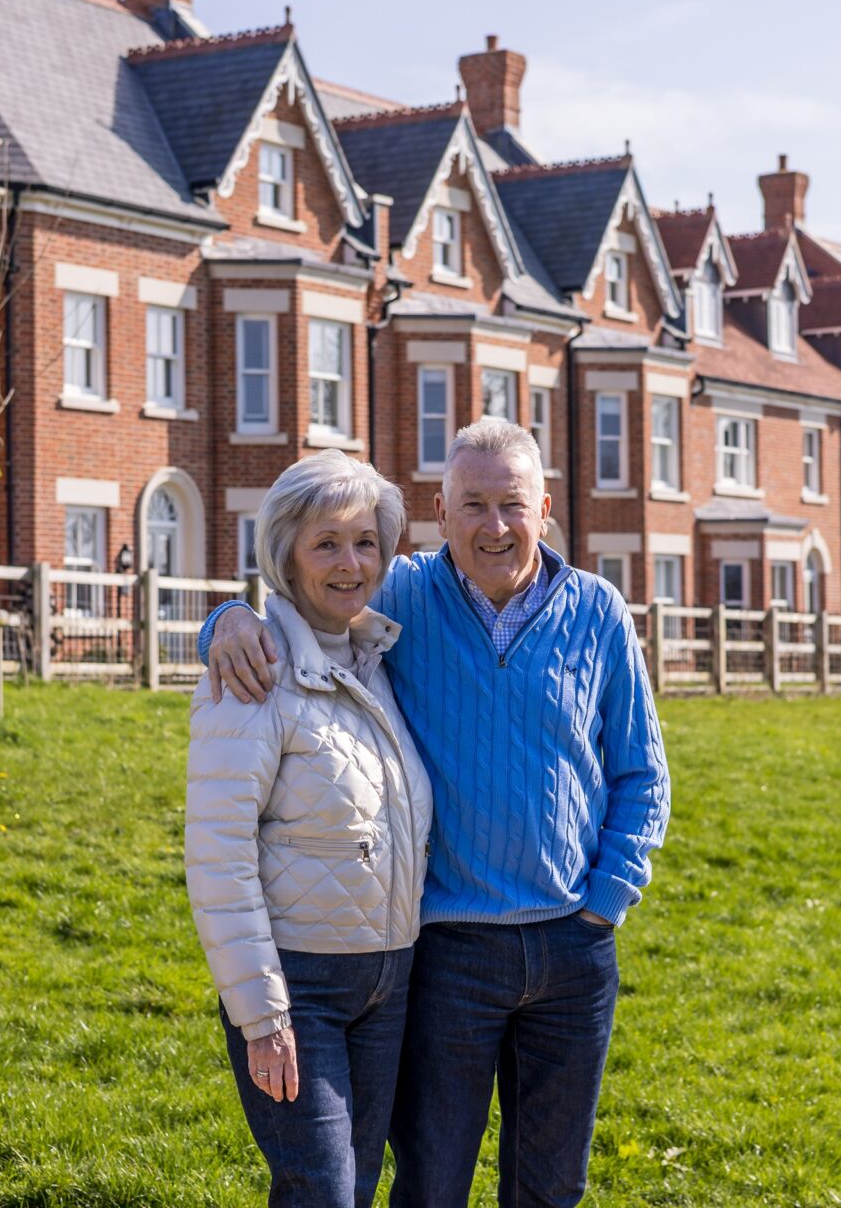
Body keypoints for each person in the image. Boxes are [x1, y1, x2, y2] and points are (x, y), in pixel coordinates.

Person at [201, 420, 670, 1207]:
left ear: (545, 510)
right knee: (431, 1182)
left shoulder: (598, 611)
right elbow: (309, 587)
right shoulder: (402, 593)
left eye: (512, 505)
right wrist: (227, 618)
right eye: (474, 505)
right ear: (438, 513)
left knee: (552, 1186)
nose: (495, 526)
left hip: (573, 948)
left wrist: (605, 905)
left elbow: (642, 772)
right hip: (450, 949)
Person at [185, 450, 432, 1207]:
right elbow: (218, 859)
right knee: (319, 1188)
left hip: (388, 981)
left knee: (355, 1185)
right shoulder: (252, 675)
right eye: (326, 543)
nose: (350, 563)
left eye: (365, 542)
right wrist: (262, 1016)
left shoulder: (380, 660)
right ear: (286, 554)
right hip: (301, 987)